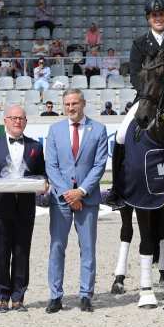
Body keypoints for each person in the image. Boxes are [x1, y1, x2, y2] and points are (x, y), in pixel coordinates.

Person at [104, 0, 164, 208]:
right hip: (147, 98)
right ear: (149, 18)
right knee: (120, 135)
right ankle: (117, 189)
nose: (158, 18)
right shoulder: (139, 43)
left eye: (161, 14)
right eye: (154, 15)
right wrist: (150, 94)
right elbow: (135, 75)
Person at [0, 105, 48, 313]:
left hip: (25, 208)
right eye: (13, 118)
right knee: (0, 253)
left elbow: (42, 174)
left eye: (21, 118)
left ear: (26, 122)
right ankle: (2, 297)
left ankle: (18, 297)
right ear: (5, 121)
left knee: (22, 252)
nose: (17, 121)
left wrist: (44, 185)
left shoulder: (36, 146)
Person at [45, 88, 108, 314]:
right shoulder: (54, 130)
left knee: (88, 248)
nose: (71, 108)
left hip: (87, 199)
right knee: (57, 247)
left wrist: (80, 191)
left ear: (83, 104)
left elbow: (99, 165)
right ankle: (55, 296)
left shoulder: (99, 130)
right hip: (61, 200)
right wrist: (67, 194)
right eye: (67, 104)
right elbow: (51, 167)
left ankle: (85, 295)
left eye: (74, 103)